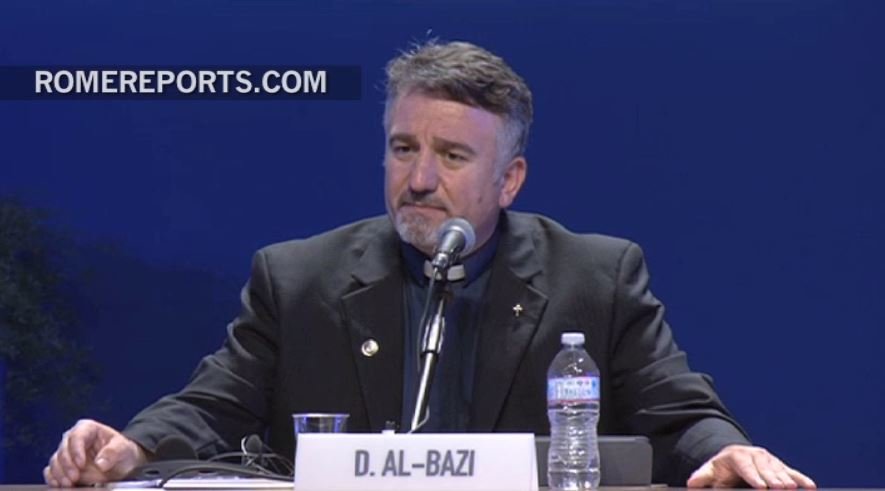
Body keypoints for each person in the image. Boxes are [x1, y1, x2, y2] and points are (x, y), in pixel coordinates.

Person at [44, 41, 815, 489]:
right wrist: (132, 445)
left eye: (451, 156)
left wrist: (725, 450)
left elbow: (675, 410)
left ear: (508, 179)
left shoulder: (594, 275)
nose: (417, 178)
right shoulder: (299, 276)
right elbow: (214, 402)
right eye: (402, 148)